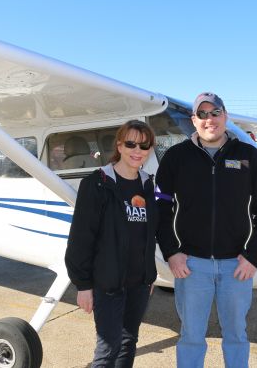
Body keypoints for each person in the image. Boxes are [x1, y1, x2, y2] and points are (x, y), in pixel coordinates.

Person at [156, 92, 257, 368]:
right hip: (191, 266)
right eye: (202, 114)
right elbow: (160, 207)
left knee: (236, 335)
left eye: (215, 113)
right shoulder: (176, 158)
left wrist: (253, 256)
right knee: (191, 336)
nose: (209, 119)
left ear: (225, 116)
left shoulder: (249, 157)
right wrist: (171, 252)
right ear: (193, 120)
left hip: (237, 265)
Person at [65, 120, 158, 368]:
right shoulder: (96, 184)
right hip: (108, 285)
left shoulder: (148, 184)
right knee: (109, 348)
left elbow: (148, 235)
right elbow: (80, 241)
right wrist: (83, 285)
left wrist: (149, 276)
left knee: (128, 342)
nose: (137, 150)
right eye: (130, 143)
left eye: (144, 145)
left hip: (139, 284)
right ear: (119, 144)